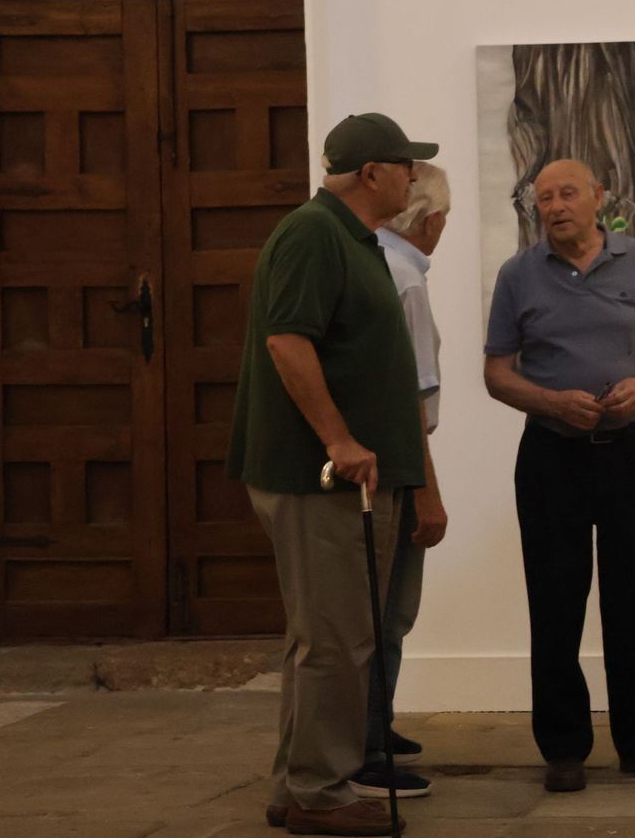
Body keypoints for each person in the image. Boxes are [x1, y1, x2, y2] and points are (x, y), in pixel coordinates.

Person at [227, 112, 442, 836]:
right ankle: (322, 792)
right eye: (406, 164)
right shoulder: (314, 233)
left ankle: (298, 785)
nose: (415, 175)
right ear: (372, 172)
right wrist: (340, 440)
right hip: (319, 477)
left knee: (323, 637)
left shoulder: (355, 241)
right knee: (338, 638)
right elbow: (288, 341)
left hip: (345, 477)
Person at [482, 158, 635, 793]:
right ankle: (564, 747)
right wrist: (549, 401)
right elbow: (495, 372)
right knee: (555, 599)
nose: (554, 205)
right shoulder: (518, 275)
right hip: (552, 454)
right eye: (543, 197)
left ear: (600, 197)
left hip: (633, 449)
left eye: (567, 193)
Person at [348, 161, 453, 801]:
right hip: (396, 465)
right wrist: (428, 493)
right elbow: (411, 397)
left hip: (378, 458)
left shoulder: (371, 259)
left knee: (377, 609)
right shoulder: (405, 275)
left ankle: (373, 724)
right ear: (432, 219)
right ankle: (365, 745)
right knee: (387, 611)